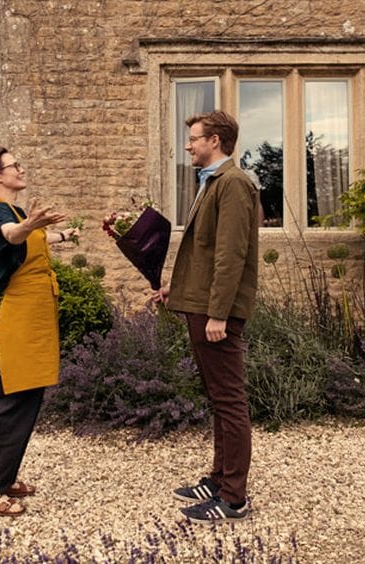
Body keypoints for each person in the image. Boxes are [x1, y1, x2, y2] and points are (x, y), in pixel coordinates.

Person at [154, 110, 260, 523]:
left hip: (216, 314)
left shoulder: (233, 183)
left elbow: (230, 256)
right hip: (201, 306)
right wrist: (176, 289)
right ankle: (218, 479)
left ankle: (233, 498)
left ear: (214, 140)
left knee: (230, 400)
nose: (188, 145)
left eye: (194, 138)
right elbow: (205, 252)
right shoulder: (213, 181)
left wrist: (219, 314)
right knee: (219, 397)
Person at [0, 147, 79, 517]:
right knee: (14, 395)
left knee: (28, 395)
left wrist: (63, 235)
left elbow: (32, 238)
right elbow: (12, 236)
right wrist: (30, 225)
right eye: (14, 165)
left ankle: (4, 476)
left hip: (37, 309)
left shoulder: (15, 211)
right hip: (22, 311)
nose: (20, 169)